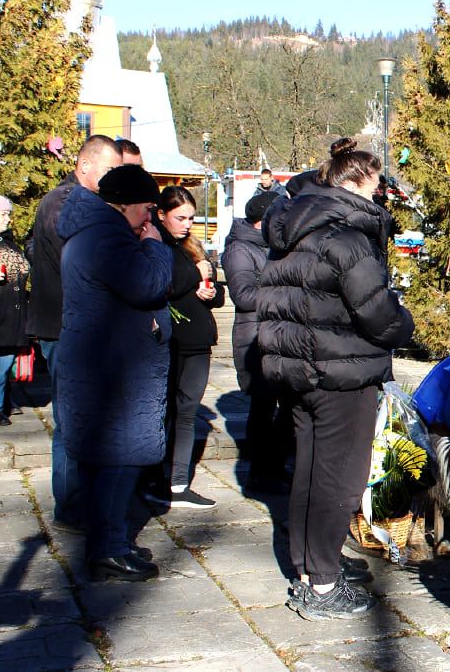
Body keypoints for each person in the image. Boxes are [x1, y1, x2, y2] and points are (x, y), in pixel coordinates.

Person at [257, 138, 414, 619]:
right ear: (356, 185)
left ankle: (309, 570)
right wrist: (404, 322)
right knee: (339, 479)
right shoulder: (346, 238)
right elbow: (379, 316)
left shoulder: (295, 229)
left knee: (307, 472)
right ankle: (322, 585)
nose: (379, 199)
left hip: (301, 371)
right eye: (376, 188)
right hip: (340, 371)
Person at [55, 164, 171, 581]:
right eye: (147, 210)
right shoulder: (107, 238)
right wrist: (155, 247)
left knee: (106, 464)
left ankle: (111, 540)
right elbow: (147, 285)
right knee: (117, 464)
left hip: (104, 367)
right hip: (113, 374)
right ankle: (108, 547)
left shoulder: (91, 233)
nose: (150, 219)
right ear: (127, 206)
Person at [28, 134, 122, 532]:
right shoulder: (63, 203)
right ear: (85, 166)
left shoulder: (87, 203)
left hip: (83, 326)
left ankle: (87, 500)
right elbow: (83, 258)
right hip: (64, 327)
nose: (115, 178)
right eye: (110, 170)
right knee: (70, 420)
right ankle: (70, 506)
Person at [141, 187, 225, 510]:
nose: (188, 224)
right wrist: (195, 275)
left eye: (191, 218)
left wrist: (212, 292)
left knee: (187, 412)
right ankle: (154, 478)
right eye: (181, 218)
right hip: (171, 340)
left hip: (199, 341)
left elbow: (214, 291)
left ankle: (178, 482)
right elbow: (166, 283)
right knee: (165, 413)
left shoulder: (192, 246)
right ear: (162, 215)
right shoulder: (155, 242)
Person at [222, 191, 292, 493]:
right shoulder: (240, 249)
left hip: (275, 336)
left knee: (284, 407)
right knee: (262, 409)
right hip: (254, 337)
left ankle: (274, 469)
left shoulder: (269, 247)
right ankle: (259, 474)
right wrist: (283, 294)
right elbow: (243, 296)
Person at [0, 195, 30, 424]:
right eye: (3, 214)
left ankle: (2, 402)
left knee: (4, 364)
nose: (8, 219)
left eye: (8, 213)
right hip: (0, 315)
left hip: (10, 316)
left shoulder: (7, 242)